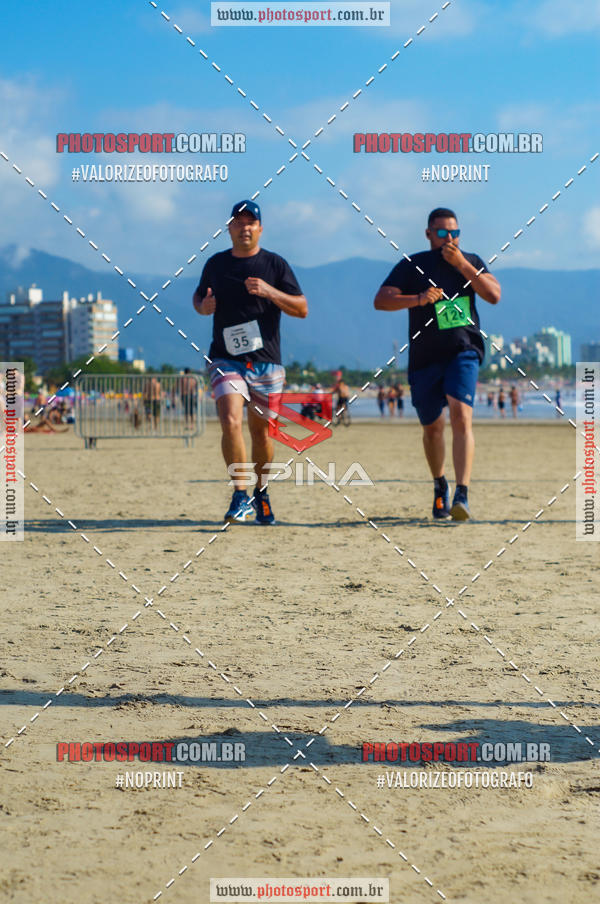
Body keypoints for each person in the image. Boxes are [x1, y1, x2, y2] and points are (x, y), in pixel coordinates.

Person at [374, 207, 501, 520]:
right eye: (443, 233)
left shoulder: (471, 260)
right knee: (432, 428)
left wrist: (463, 266)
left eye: (454, 232)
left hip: (463, 350)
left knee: (461, 416)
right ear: (429, 233)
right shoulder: (413, 264)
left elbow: (494, 295)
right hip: (425, 357)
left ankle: (462, 493)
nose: (449, 238)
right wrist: (418, 299)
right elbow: (381, 300)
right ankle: (440, 484)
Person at [193, 200, 307, 524]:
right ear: (229, 228)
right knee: (230, 420)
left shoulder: (275, 264)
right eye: (238, 222)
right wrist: (203, 306)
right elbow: (199, 297)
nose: (244, 227)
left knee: (262, 433)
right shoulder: (216, 264)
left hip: (266, 361)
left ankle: (261, 492)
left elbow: (301, 308)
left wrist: (270, 292)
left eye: (250, 222)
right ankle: (240, 494)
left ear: (260, 228)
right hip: (225, 358)